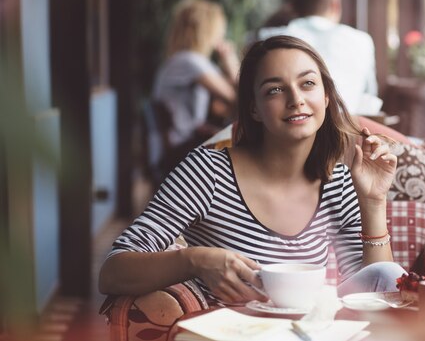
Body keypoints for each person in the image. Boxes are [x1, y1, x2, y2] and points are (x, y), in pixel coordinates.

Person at [100, 35, 405, 306]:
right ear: (254, 109)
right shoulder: (209, 172)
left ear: (325, 96)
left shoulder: (337, 181)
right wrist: (193, 259)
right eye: (274, 90)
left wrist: (373, 201)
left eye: (308, 83)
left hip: (309, 334)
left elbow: (371, 290)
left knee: (391, 275)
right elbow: (113, 272)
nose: (296, 99)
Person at [258, 0, 379, 115]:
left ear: (293, 6)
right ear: (335, 5)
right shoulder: (362, 41)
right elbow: (369, 95)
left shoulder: (269, 40)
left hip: (291, 125)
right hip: (346, 129)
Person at [152, 0, 240, 173]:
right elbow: (236, 98)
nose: (222, 35)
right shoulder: (188, 61)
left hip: (185, 143)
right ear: (206, 29)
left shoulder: (186, 60)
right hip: (183, 150)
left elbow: (226, 102)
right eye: (219, 29)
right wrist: (231, 62)